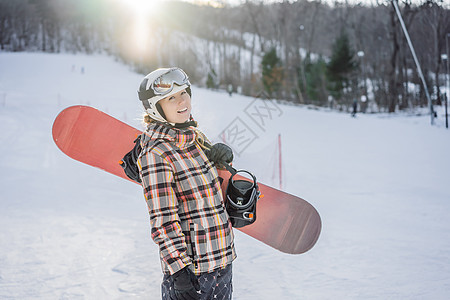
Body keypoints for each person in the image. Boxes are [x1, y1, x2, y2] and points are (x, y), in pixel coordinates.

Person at [136, 67, 236, 300]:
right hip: (193, 272)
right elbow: (163, 222)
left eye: (184, 93)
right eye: (171, 98)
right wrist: (180, 273)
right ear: (156, 108)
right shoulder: (156, 153)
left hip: (222, 262)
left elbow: (208, 197)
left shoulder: (195, 139)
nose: (182, 101)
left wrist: (221, 161)